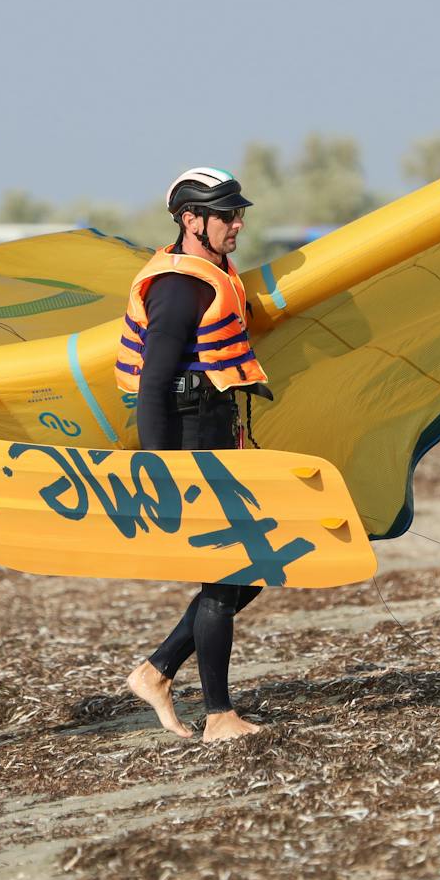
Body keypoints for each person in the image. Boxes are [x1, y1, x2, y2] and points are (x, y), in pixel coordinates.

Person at [119, 167, 272, 743]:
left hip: (213, 425)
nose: (238, 224)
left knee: (253, 566)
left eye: (239, 214)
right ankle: (219, 715)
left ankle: (157, 671)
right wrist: (156, 469)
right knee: (226, 567)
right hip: (183, 435)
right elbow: (154, 383)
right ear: (192, 221)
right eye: (228, 216)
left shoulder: (215, 271)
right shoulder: (178, 286)